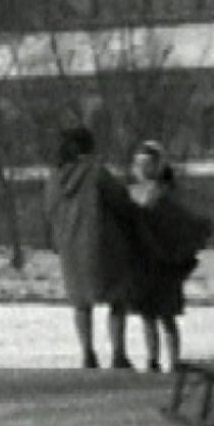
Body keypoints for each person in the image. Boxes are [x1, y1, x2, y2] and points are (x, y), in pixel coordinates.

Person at [44, 126, 142, 369]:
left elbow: (49, 212)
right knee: (117, 298)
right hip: (103, 244)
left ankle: (88, 353)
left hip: (70, 247)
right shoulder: (97, 173)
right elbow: (121, 202)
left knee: (80, 303)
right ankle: (118, 353)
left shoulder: (54, 179)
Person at [127, 142, 212, 373]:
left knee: (163, 316)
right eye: (140, 164)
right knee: (151, 316)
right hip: (150, 265)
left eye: (148, 164)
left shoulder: (162, 197)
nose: (143, 168)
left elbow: (185, 225)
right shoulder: (137, 193)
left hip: (163, 266)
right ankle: (155, 359)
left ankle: (170, 360)